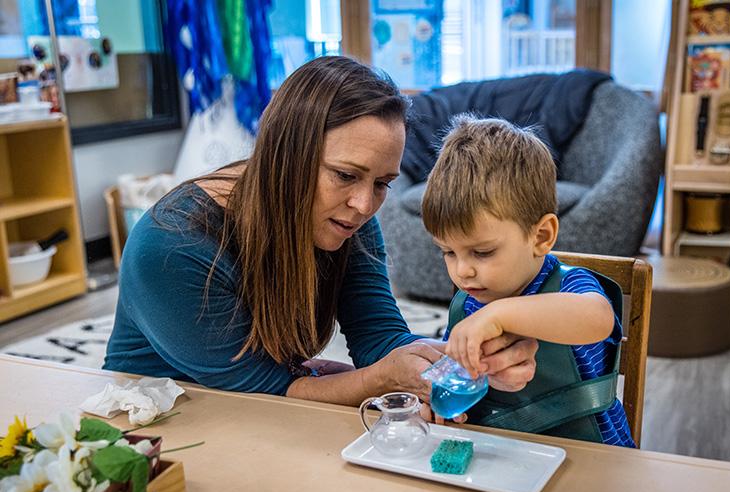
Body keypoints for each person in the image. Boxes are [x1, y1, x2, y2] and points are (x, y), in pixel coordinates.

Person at [104, 57, 536, 417]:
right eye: (346, 175)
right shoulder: (171, 245)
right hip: (158, 417)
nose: (365, 205)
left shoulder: (350, 218)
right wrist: (380, 380)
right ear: (285, 155)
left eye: (383, 183)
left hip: (263, 410)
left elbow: (379, 337)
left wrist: (451, 363)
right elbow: (260, 389)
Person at [421, 115, 635, 446]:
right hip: (503, 456)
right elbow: (458, 379)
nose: (462, 271)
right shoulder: (467, 303)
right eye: (448, 252)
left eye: (482, 252)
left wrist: (498, 315)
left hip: (590, 458)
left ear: (541, 236)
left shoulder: (569, 285)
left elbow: (598, 319)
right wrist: (447, 405)